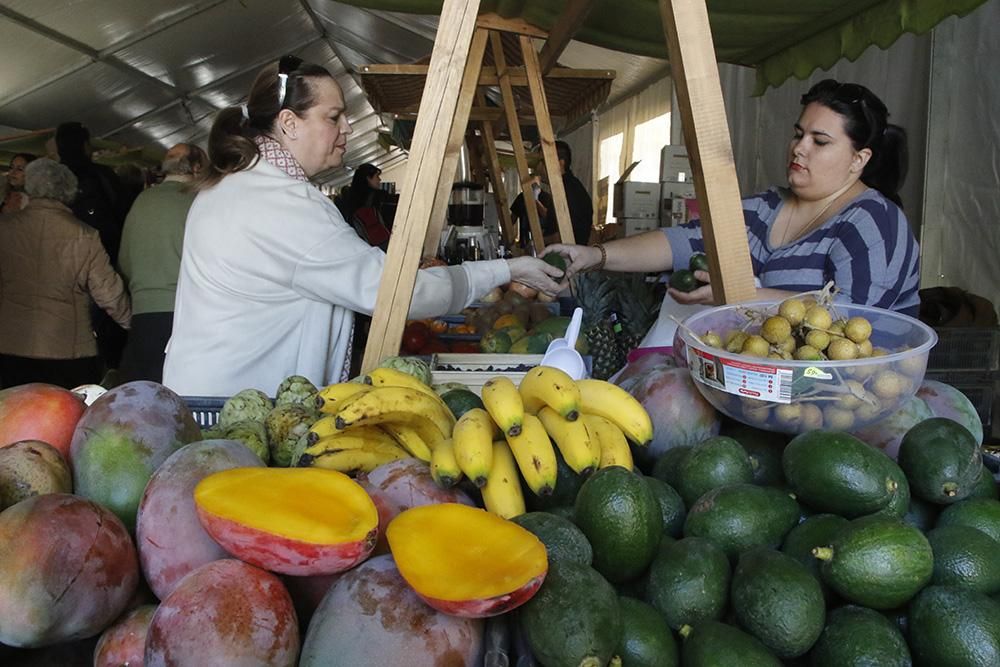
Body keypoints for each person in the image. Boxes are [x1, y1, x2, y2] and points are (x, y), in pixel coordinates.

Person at [162, 55, 563, 396]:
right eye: (334, 117)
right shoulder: (281, 205)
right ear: (289, 123)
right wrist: (507, 268)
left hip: (212, 395)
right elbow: (397, 294)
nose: (348, 129)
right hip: (234, 410)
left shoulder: (237, 184)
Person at [547, 79, 919, 326]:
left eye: (819, 142)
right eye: (798, 134)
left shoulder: (875, 222)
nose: (799, 148)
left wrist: (738, 294)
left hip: (849, 403)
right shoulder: (766, 207)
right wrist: (595, 256)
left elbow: (855, 320)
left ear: (859, 159)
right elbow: (682, 242)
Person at [0, 159, 131, 389]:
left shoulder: (5, 228)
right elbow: (108, 293)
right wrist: (132, 323)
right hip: (68, 350)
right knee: (65, 420)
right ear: (69, 191)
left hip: (10, 344)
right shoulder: (84, 235)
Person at [118, 143, 207, 383]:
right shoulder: (199, 203)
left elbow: (124, 260)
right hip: (186, 314)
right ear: (198, 168)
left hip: (143, 314)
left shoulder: (141, 201)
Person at [56, 121, 131, 371]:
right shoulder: (102, 176)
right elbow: (120, 218)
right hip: (102, 262)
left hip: (60, 280)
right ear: (86, 145)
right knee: (101, 336)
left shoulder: (52, 178)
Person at [548, 141, 594, 245]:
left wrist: (538, 240)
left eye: (544, 160)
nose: (540, 166)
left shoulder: (568, 190)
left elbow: (561, 236)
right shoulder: (566, 186)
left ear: (561, 163)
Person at [338, 163, 391, 250]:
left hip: (357, 244)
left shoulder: (347, 198)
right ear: (368, 178)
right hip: (381, 244)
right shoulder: (378, 197)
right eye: (377, 176)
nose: (379, 180)